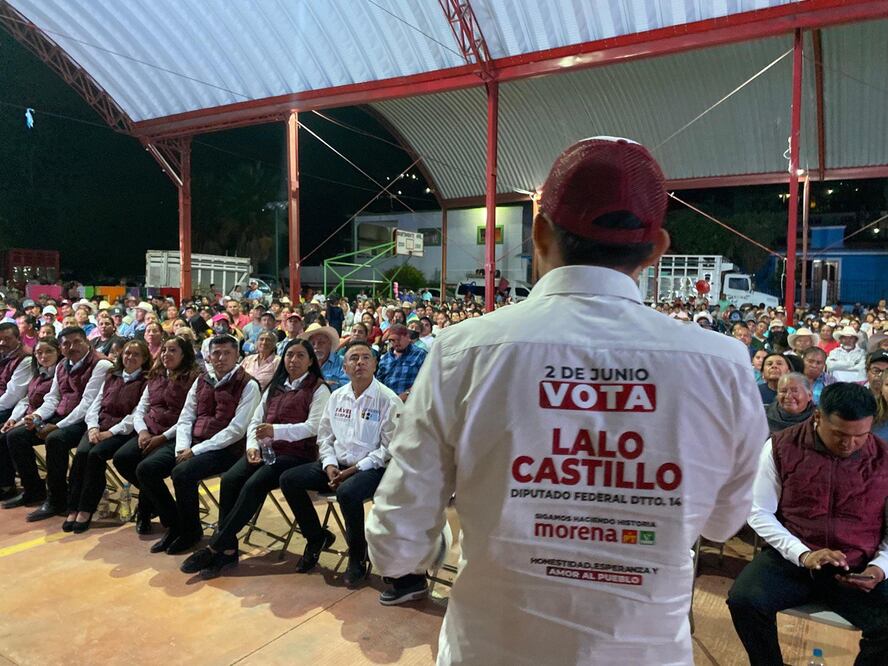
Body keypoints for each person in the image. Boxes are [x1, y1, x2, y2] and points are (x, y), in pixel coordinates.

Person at [365, 137, 767, 659]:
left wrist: (441, 545)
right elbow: (723, 523)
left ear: (539, 233)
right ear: (656, 248)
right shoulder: (723, 364)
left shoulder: (463, 350)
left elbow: (395, 546)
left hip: (489, 648)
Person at [728, 383, 888, 665]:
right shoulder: (781, 446)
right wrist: (802, 553)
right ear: (817, 417)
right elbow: (759, 511)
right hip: (793, 558)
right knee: (744, 600)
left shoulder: (884, 458)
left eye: (860, 436)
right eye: (839, 434)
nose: (849, 444)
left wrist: (880, 567)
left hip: (858, 565)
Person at [179, 339, 331, 579]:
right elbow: (255, 421)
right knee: (230, 480)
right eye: (290, 355)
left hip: (295, 454)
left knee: (254, 485)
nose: (293, 360)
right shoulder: (275, 386)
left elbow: (313, 427)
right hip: (265, 449)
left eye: (300, 355)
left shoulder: (318, 389)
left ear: (311, 361)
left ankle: (215, 546)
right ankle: (228, 550)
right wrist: (252, 446)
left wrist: (275, 431)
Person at [280, 339, 401, 587]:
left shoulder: (388, 399)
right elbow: (325, 436)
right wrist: (329, 464)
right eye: (353, 358)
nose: (360, 363)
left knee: (347, 493)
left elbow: (389, 448)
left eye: (366, 358)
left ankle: (357, 556)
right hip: (337, 464)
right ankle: (316, 537)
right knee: (289, 479)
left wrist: (355, 469)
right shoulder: (337, 397)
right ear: (344, 367)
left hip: (372, 468)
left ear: (375, 364)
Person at [138, 335, 260, 554]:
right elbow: (186, 417)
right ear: (208, 356)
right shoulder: (202, 380)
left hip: (225, 449)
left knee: (182, 473)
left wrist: (194, 451)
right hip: (192, 441)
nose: (221, 358)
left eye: (227, 353)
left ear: (237, 355)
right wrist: (182, 447)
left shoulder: (248, 384)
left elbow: (237, 430)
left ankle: (191, 532)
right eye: (216, 353)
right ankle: (176, 524)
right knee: (146, 469)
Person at [5, 327, 113, 521]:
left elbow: (87, 404)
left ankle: (57, 499)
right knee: (16, 435)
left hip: (86, 420)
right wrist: (36, 416)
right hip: (62, 415)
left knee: (55, 439)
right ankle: (34, 489)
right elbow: (53, 398)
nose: (72, 347)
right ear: (61, 348)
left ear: (87, 342)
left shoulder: (100, 364)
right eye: (66, 344)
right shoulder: (63, 364)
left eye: (77, 341)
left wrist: (58, 426)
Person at [112, 336, 200, 536]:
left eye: (173, 350)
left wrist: (163, 437)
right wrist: (142, 431)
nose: (166, 354)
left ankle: (154, 515)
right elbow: (141, 408)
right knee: (122, 458)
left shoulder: (193, 378)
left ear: (184, 354)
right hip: (150, 429)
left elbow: (189, 416)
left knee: (147, 467)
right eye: (164, 350)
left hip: (175, 435)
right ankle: (156, 503)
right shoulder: (155, 375)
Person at [64, 339, 151, 533]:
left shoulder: (146, 381)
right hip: (98, 426)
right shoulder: (112, 375)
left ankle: (86, 508)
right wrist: (93, 427)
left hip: (122, 431)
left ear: (144, 358)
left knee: (95, 456)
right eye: (127, 353)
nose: (130, 357)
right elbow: (96, 404)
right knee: (81, 454)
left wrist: (110, 432)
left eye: (136, 354)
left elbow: (136, 415)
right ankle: (73, 506)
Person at [0, 338, 58, 500]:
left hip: (50, 418)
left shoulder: (59, 373)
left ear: (58, 352)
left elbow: (52, 403)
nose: (43, 356)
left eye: (49, 351)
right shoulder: (39, 372)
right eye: (39, 353)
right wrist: (13, 419)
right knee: (4, 431)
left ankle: (33, 488)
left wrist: (24, 420)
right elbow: (26, 399)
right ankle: (10, 484)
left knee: (14, 436)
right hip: (31, 416)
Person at [376, 323, 427, 401]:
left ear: (407, 337)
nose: (396, 343)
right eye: (392, 340)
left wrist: (408, 393)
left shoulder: (420, 354)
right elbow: (378, 383)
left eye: (398, 339)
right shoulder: (385, 359)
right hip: (388, 402)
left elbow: (426, 380)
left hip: (412, 400)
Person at [301, 323, 348, 391]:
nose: (316, 346)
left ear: (330, 344)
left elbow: (348, 387)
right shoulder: (304, 363)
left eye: (321, 343)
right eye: (312, 344)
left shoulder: (342, 362)